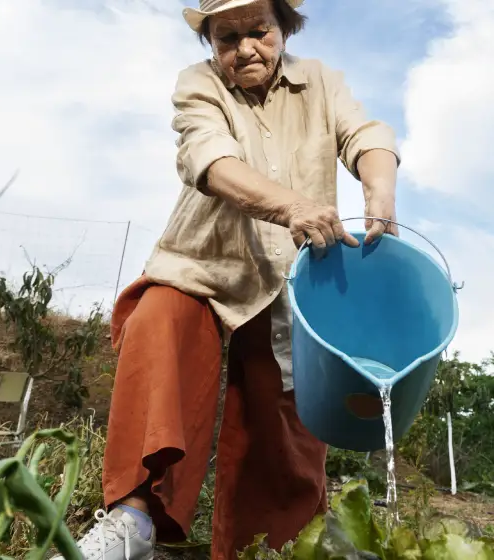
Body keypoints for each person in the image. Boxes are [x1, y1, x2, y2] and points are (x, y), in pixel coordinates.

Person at [53, 0, 400, 558]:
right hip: (203, 264)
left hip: (284, 277)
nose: (244, 49)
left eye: (259, 31)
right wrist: (291, 207)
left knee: (284, 421)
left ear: (283, 28)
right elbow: (210, 160)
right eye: (226, 38)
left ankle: (268, 548)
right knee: (159, 325)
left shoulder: (320, 82)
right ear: (211, 45)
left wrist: (378, 192)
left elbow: (366, 133)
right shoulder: (198, 85)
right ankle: (133, 523)